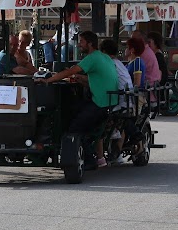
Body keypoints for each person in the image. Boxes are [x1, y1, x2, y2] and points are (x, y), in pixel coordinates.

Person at [38, 31, 118, 168]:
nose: (79, 45)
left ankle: (88, 160)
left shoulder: (92, 58)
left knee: (74, 128)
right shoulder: (104, 57)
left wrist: (48, 80)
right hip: (109, 102)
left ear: (90, 43)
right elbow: (98, 80)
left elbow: (71, 71)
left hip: (99, 103)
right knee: (72, 110)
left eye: (81, 42)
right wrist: (81, 79)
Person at [99, 39, 133, 166]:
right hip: (127, 100)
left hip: (118, 101)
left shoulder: (109, 63)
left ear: (104, 52)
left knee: (98, 121)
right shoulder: (118, 63)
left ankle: (100, 156)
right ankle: (116, 153)